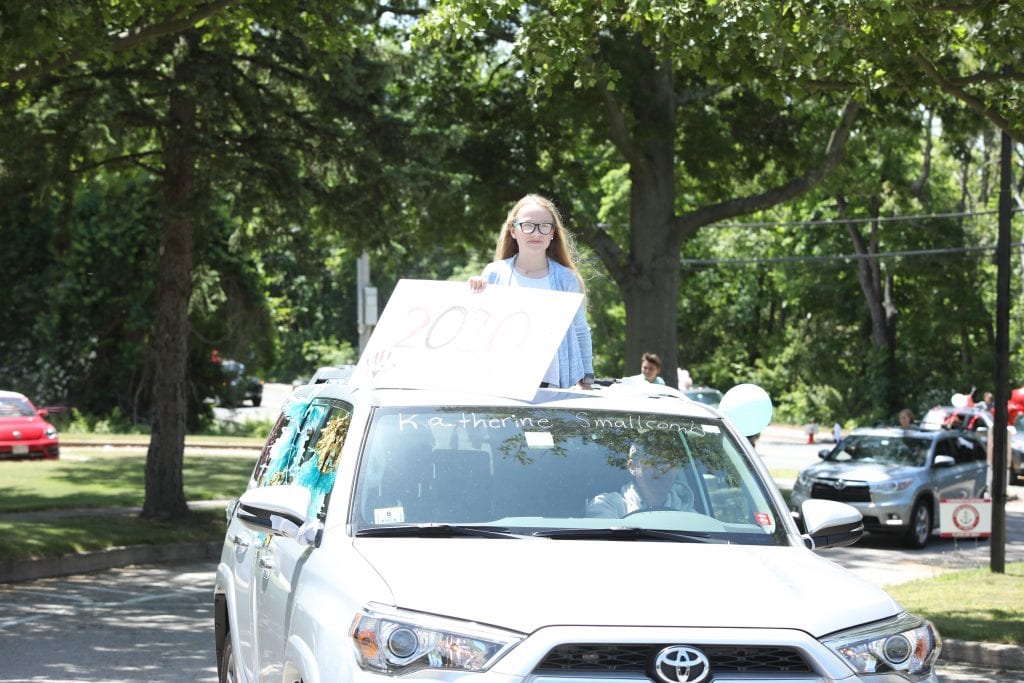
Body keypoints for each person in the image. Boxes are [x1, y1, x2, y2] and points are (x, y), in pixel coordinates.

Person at [469, 194, 594, 388]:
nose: (536, 233)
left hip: (552, 386)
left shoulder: (566, 278)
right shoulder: (494, 274)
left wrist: (587, 380)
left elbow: (580, 330)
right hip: (501, 382)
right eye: (527, 226)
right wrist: (474, 294)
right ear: (513, 231)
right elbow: (478, 328)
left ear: (552, 233)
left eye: (544, 226)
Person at [586, 439, 694, 517]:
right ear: (632, 467)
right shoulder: (606, 506)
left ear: (678, 467)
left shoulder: (693, 518)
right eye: (651, 461)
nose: (662, 468)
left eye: (669, 461)